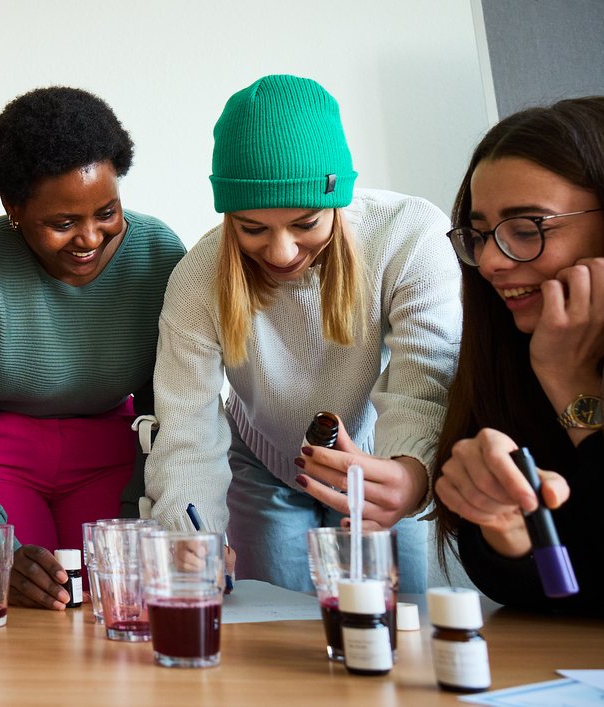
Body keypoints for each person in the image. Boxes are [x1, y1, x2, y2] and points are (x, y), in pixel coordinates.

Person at [144, 74, 462, 593]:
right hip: (264, 460)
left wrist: (410, 472)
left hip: (379, 457)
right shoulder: (198, 277)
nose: (282, 252)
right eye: (252, 229)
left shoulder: (408, 235)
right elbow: (188, 427)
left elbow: (423, 383)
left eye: (306, 223)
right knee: (274, 636)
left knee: (398, 631)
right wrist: (187, 531)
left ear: (338, 200)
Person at [0, 86, 187, 609]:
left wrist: (141, 509)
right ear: (14, 209)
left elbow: (170, 410)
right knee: (21, 603)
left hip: (112, 455)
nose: (89, 238)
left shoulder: (160, 255)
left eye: (107, 211)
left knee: (113, 600)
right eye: (62, 223)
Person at [433, 96, 604, 617]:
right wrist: (507, 531)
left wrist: (572, 384)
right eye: (481, 235)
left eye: (528, 228)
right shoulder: (509, 350)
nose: (491, 260)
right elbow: (553, 587)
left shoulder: (559, 357)